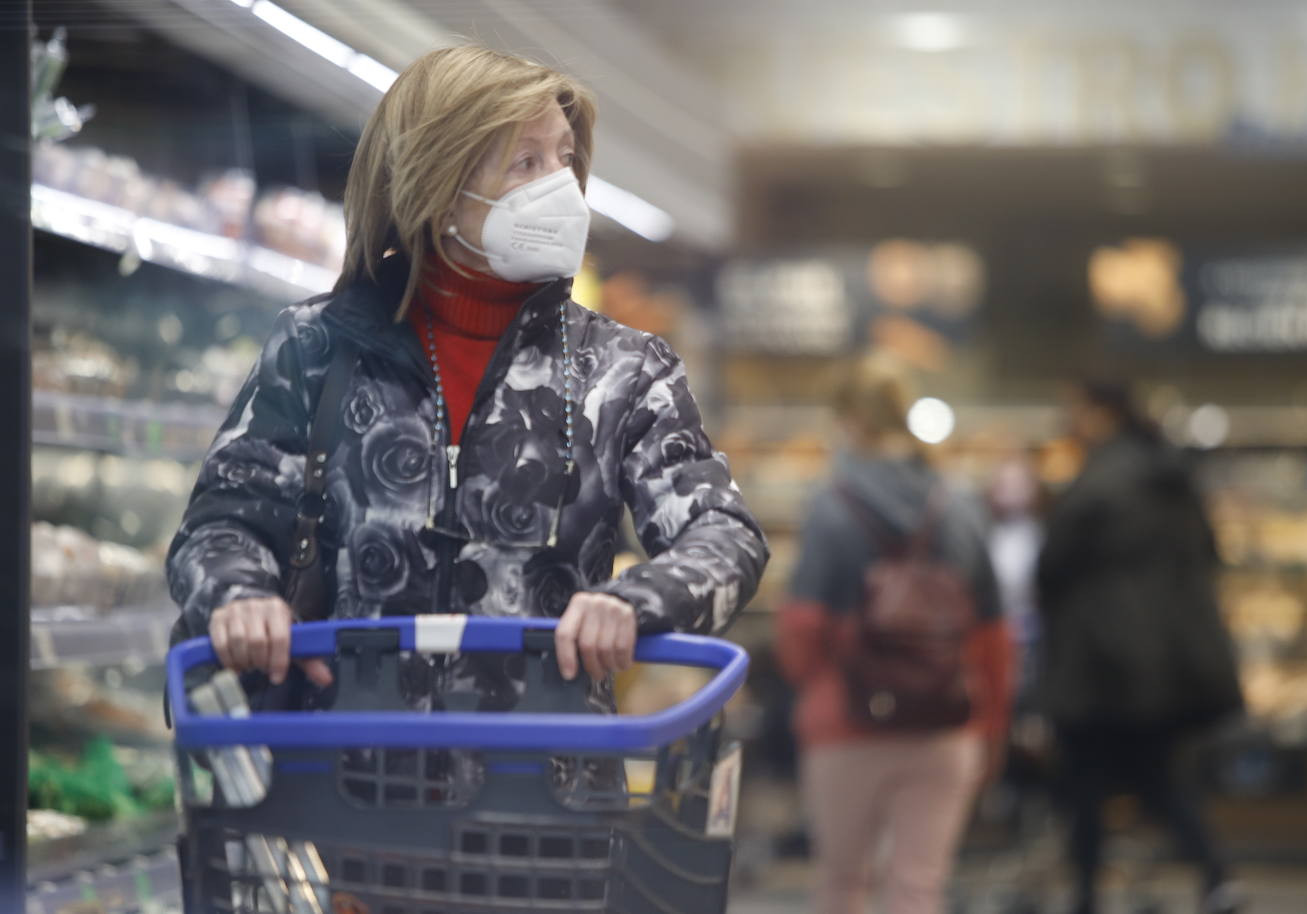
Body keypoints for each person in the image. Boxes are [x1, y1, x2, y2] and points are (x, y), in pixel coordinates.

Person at [165, 45, 768, 713]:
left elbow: (724, 534)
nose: (559, 187)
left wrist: (634, 603)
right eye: (525, 162)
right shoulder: (320, 347)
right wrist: (241, 596)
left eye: (564, 158)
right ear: (439, 186)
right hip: (339, 779)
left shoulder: (624, 370)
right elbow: (221, 522)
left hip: (540, 782)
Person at [775, 355, 1013, 914]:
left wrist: (813, 683)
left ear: (850, 420)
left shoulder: (833, 507)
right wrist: (992, 725)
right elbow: (996, 636)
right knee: (917, 888)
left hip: (847, 723)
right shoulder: (960, 503)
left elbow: (801, 629)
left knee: (841, 884)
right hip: (945, 727)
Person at [1036, 381, 1245, 914]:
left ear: (1101, 414)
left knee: (1084, 783)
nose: (1068, 423)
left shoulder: (1098, 481)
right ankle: (1216, 877)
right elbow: (1212, 558)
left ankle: (1086, 894)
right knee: (1160, 778)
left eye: (1074, 411)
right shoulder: (1173, 480)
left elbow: (1051, 568)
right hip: (1169, 668)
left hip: (1100, 662)